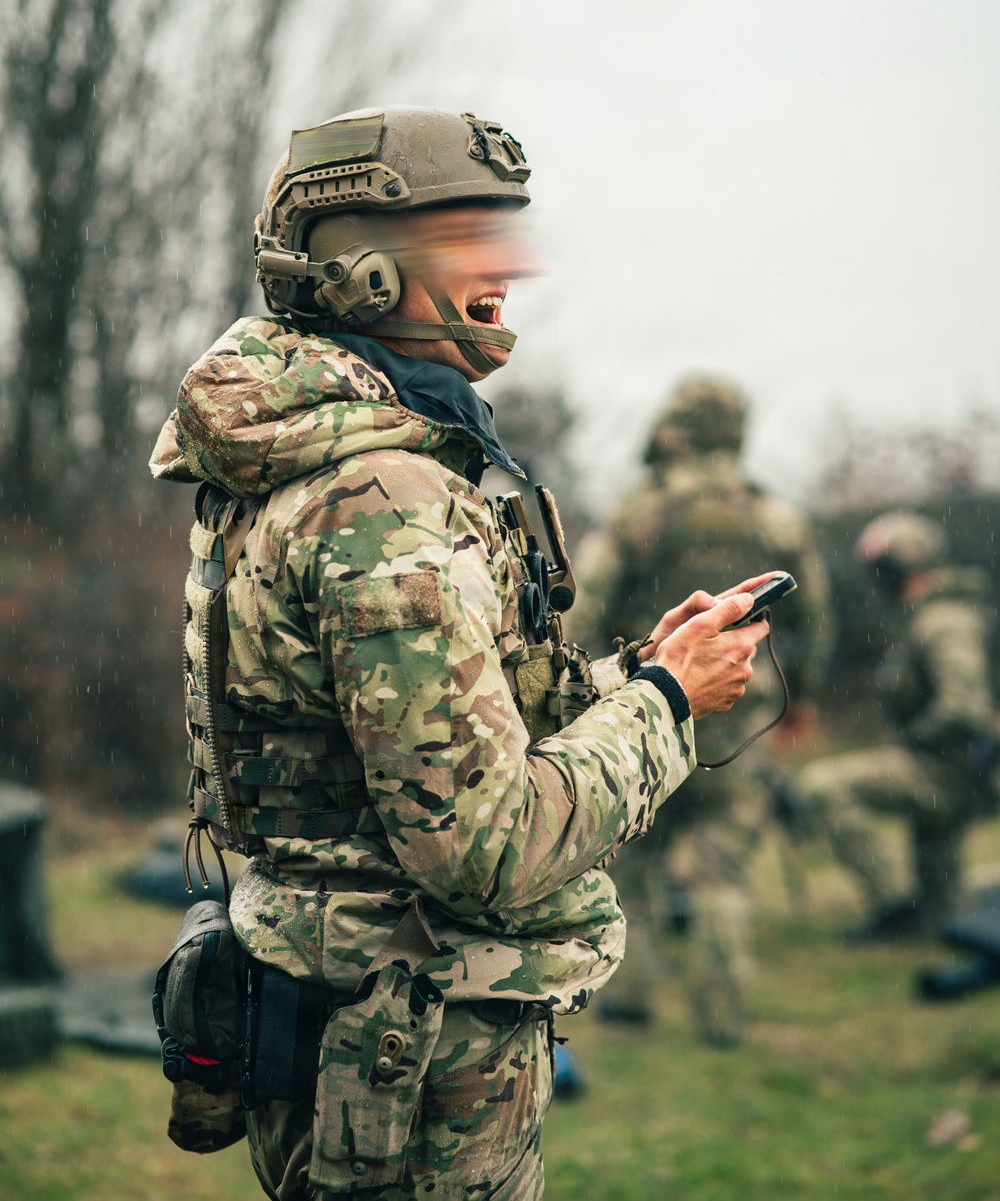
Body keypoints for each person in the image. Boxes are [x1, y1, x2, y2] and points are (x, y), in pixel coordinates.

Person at [151, 108, 772, 1200]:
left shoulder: (321, 461)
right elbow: (483, 849)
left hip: (355, 1008)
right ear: (365, 271)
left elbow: (417, 744)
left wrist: (633, 674)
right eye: (468, 237)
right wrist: (668, 705)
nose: (507, 267)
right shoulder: (382, 502)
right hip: (410, 1054)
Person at [570, 377, 830, 1045]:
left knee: (635, 860)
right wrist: (798, 697)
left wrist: (597, 690)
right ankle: (721, 1017)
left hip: (655, 710)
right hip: (741, 720)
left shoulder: (639, 515)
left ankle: (630, 997)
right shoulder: (775, 519)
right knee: (725, 873)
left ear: (675, 428)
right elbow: (815, 618)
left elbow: (586, 607)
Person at [800, 509, 997, 938]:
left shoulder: (942, 621)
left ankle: (896, 906)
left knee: (822, 786)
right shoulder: (939, 614)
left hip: (954, 770)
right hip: (958, 764)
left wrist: (914, 741)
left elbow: (964, 708)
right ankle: (927, 911)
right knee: (949, 918)